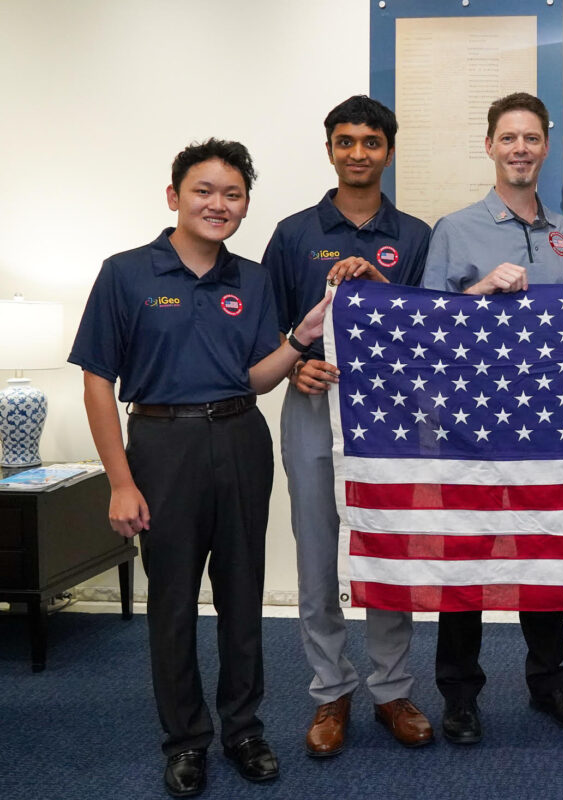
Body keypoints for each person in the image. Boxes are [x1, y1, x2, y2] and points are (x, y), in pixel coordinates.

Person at [69, 139, 328, 797]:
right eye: (204, 191)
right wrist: (121, 480)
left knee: (243, 594)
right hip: (161, 448)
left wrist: (301, 337)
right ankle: (186, 740)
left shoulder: (252, 278)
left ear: (245, 205)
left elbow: (259, 377)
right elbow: (98, 381)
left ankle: (243, 728)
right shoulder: (126, 273)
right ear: (174, 197)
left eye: (232, 194)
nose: (218, 204)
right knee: (175, 602)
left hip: (240, 438)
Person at [260, 96, 432, 758]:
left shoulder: (415, 235)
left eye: (370, 142)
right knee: (315, 551)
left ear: (388, 150)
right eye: (345, 141)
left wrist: (379, 283)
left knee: (387, 550)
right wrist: (297, 362)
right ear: (329, 149)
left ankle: (392, 689)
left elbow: (429, 330)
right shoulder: (294, 232)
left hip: (391, 416)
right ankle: (330, 688)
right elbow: (268, 328)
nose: (357, 152)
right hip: (312, 406)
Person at [422, 92, 563, 742]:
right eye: (508, 137)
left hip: (545, 421)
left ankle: (549, 682)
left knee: (545, 560)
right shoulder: (454, 228)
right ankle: (460, 696)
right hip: (471, 425)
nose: (520, 148)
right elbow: (425, 329)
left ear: (545, 146)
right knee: (465, 562)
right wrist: (478, 291)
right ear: (489, 145)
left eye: (531, 138)